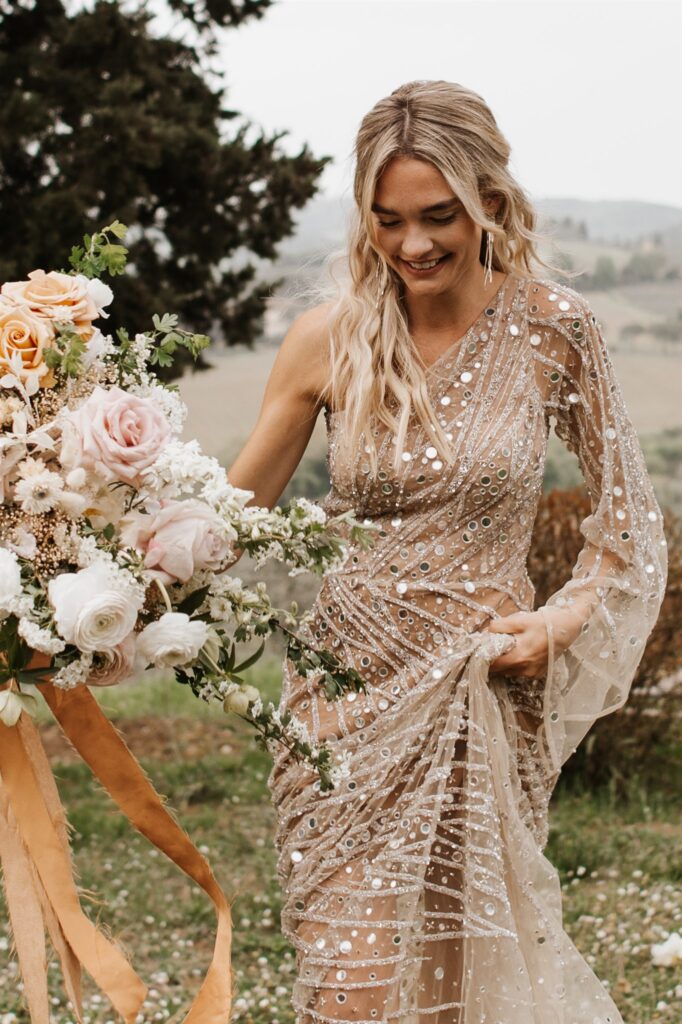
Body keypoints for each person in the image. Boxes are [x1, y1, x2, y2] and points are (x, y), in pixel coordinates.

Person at [226, 81, 667, 1024]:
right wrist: (80, 538)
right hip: (339, 707)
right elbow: (225, 520)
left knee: (448, 993)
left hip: (480, 699)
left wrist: (555, 623)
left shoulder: (557, 328)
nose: (413, 246)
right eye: (387, 221)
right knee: (348, 989)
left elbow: (628, 530)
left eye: (438, 217)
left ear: (491, 206)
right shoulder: (327, 340)